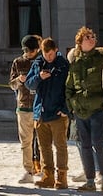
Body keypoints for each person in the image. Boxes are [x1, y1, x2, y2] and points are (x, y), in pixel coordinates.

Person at [64, 26, 103, 192]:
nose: (92, 39)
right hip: (80, 110)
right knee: (84, 145)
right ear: (79, 42)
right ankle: (90, 180)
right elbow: (69, 87)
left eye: (93, 36)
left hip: (97, 108)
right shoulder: (76, 62)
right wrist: (72, 105)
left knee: (98, 144)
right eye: (88, 37)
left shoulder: (102, 59)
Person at [28, 37, 72, 189]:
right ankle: (48, 176)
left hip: (58, 113)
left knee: (61, 146)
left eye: (51, 54)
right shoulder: (38, 63)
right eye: (46, 55)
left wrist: (66, 109)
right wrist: (38, 77)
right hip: (40, 113)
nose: (49, 57)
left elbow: (70, 88)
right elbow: (29, 84)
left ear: (56, 50)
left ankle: (62, 177)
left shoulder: (63, 65)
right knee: (43, 147)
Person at [9, 34, 42, 184]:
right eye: (27, 50)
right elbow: (11, 84)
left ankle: (42, 168)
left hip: (39, 105)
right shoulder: (18, 62)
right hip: (23, 106)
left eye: (32, 50)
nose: (29, 53)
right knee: (26, 141)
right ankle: (28, 169)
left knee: (42, 140)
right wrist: (18, 80)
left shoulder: (41, 61)